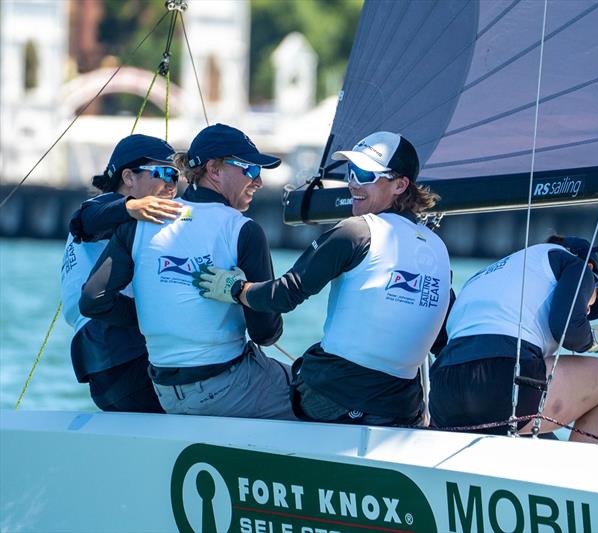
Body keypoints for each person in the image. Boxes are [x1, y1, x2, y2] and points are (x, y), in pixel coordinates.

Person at [194, 131, 451, 426]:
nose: (353, 183)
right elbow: (443, 336)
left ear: (400, 185)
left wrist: (236, 288)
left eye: (365, 174)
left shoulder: (356, 231)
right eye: (350, 172)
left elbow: (284, 295)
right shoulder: (438, 248)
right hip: (401, 409)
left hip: (334, 400)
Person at [79, 123, 293, 420]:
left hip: (165, 392)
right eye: (250, 170)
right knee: (314, 396)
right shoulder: (243, 230)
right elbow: (265, 333)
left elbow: (93, 300)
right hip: (227, 387)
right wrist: (240, 295)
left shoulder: (141, 221)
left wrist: (155, 310)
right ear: (214, 170)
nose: (258, 181)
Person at [429, 235, 598, 442]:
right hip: (502, 385)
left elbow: (444, 341)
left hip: (443, 398)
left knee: (544, 438)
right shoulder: (576, 265)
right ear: (590, 265)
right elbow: (569, 331)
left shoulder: (489, 273)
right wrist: (593, 340)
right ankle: (578, 471)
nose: (588, 309)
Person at [61, 134, 181, 413]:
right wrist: (130, 206)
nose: (172, 184)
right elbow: (85, 221)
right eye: (163, 172)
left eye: (175, 176)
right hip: (118, 350)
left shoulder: (129, 220)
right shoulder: (103, 207)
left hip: (104, 363)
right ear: (128, 177)